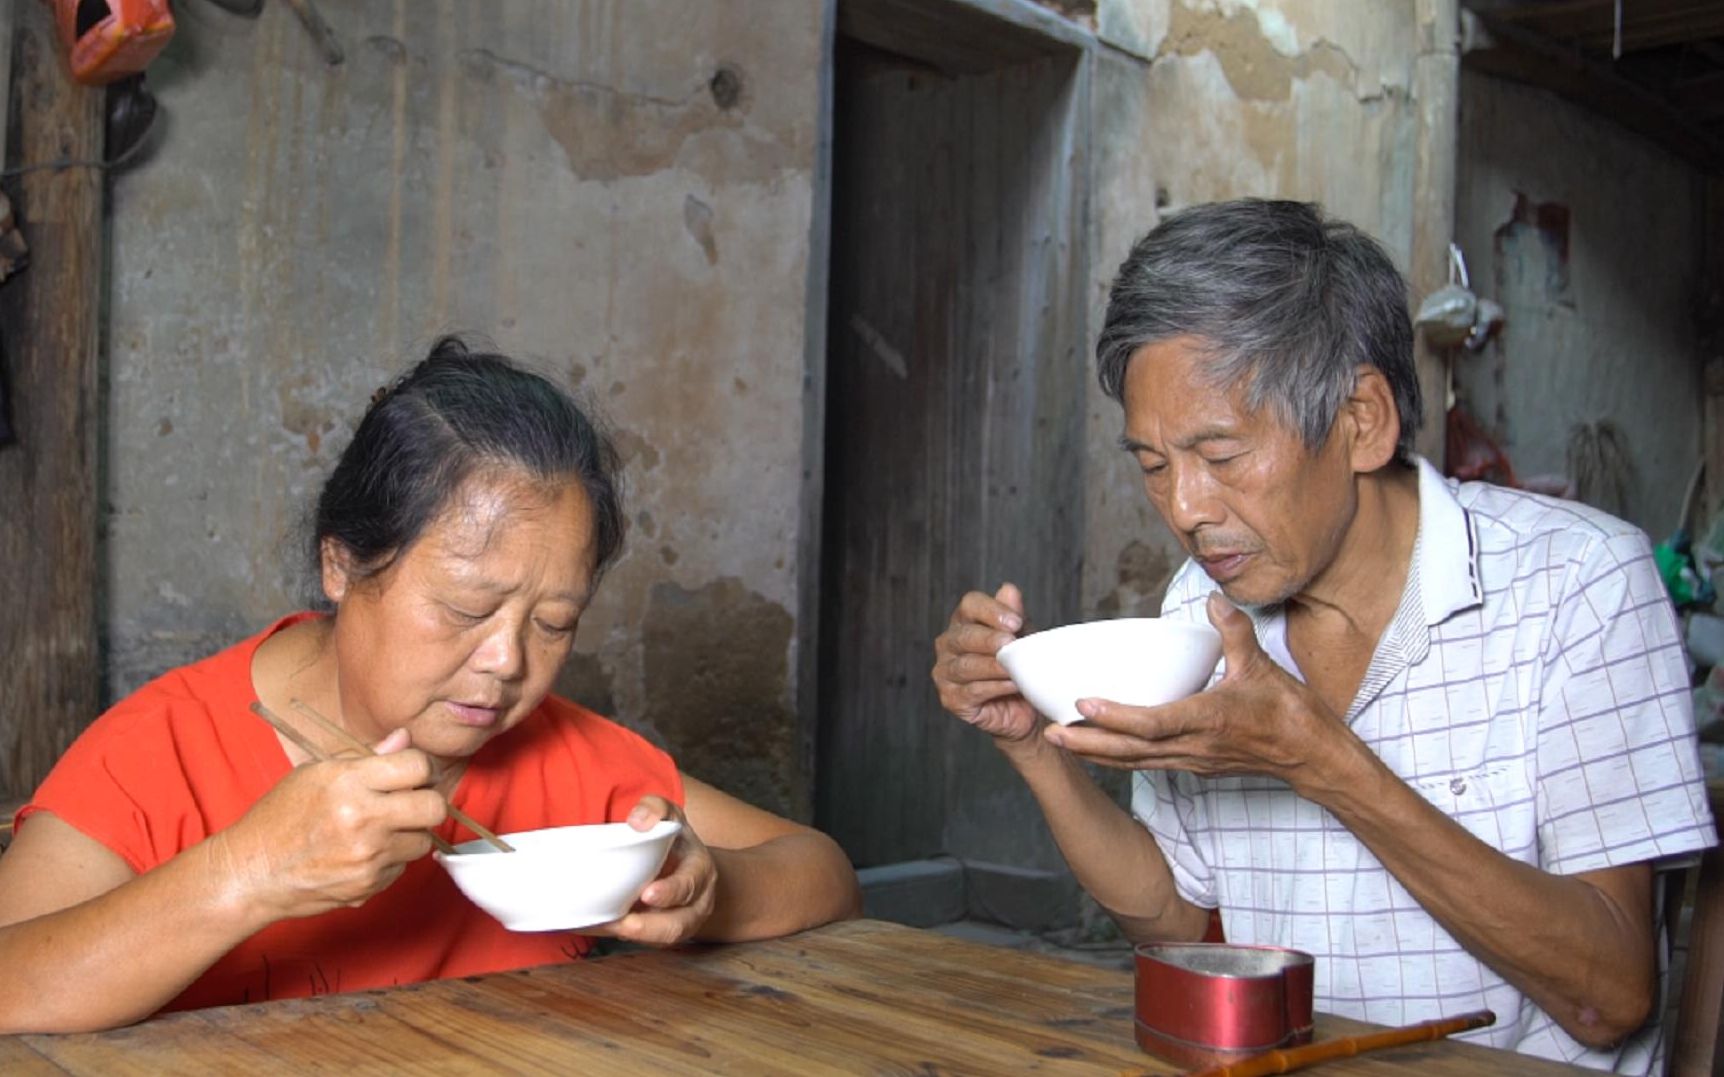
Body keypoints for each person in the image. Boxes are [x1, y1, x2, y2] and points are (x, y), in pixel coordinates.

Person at [932, 200, 1716, 1072]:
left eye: (1221, 456)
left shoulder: (1581, 583)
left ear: (1362, 421)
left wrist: (1320, 759)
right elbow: (1178, 919)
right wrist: (1038, 745)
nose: (1185, 509)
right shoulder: (1201, 609)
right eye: (1154, 465)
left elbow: (1609, 995)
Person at [0, 336, 860, 1033]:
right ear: (340, 564)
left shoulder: (562, 758)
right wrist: (250, 869)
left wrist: (706, 893)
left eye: (553, 622)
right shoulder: (166, 749)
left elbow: (822, 870)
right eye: (462, 607)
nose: (506, 662)